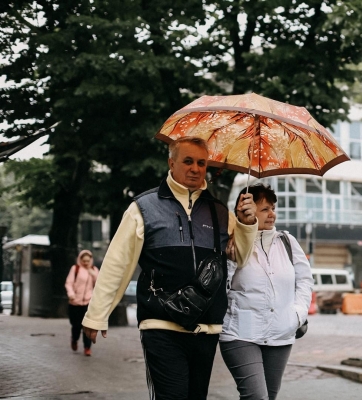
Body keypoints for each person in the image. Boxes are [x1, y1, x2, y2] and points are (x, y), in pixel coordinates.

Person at [82, 137, 258, 400]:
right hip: (160, 325)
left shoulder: (220, 212)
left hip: (207, 328)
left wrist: (246, 224)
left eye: (202, 163)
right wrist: (96, 315)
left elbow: (240, 257)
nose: (195, 168)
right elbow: (117, 263)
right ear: (171, 163)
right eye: (188, 161)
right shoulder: (143, 208)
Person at [220, 183, 313, 400]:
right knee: (256, 397)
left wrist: (297, 315)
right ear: (246, 210)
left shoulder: (287, 242)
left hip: (281, 334)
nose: (271, 214)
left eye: (272, 208)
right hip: (240, 334)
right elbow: (220, 287)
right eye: (264, 209)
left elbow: (305, 280)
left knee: (269, 397)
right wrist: (231, 260)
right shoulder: (232, 243)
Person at [64, 249, 99, 356]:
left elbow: (99, 284)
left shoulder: (94, 270)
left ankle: (87, 347)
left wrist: (93, 274)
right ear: (80, 260)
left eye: (88, 261)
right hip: (75, 302)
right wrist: (71, 294)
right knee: (76, 325)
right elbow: (69, 283)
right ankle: (74, 339)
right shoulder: (75, 269)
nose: (86, 263)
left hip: (88, 303)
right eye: (84, 261)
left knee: (87, 326)